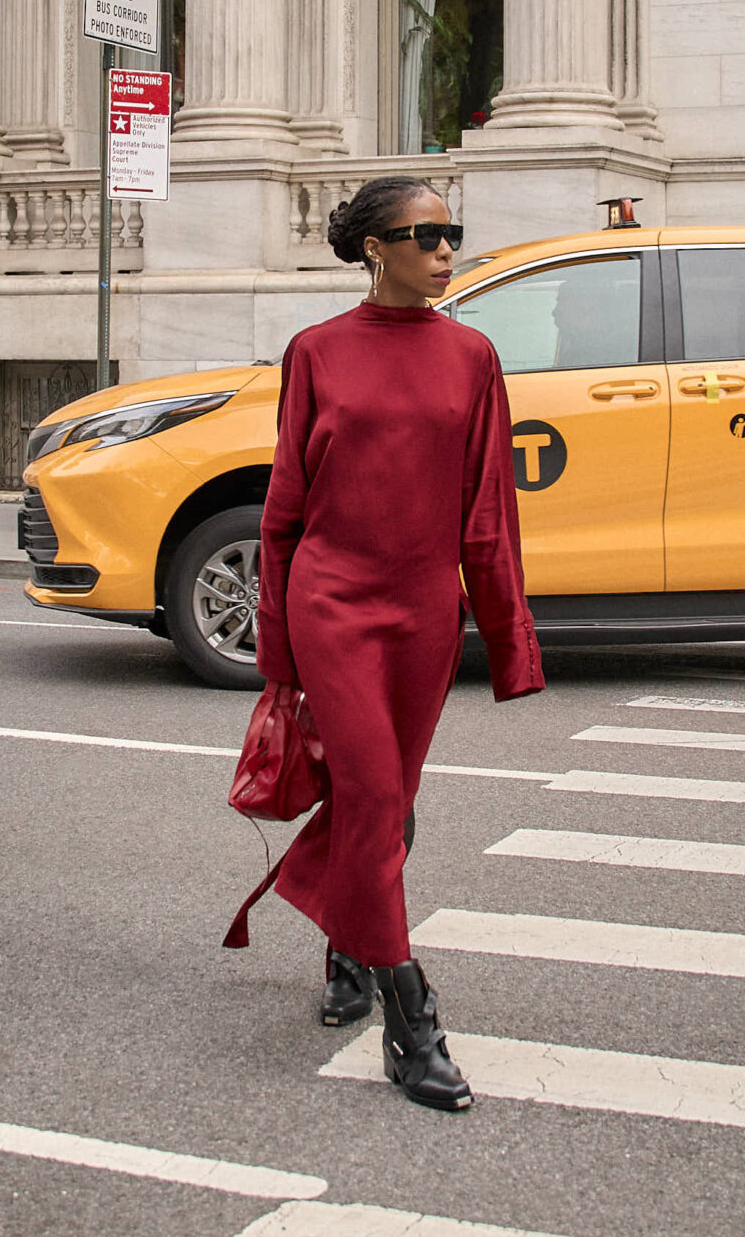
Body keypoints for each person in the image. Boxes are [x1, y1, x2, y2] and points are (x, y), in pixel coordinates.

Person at [231, 174, 544, 1112]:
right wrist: (280, 652)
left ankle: (344, 944)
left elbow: (488, 507)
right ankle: (414, 1021)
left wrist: (510, 639)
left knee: (388, 803)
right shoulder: (317, 352)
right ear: (377, 248)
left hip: (423, 612)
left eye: (454, 231)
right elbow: (283, 508)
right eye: (429, 233)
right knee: (368, 789)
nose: (448, 249)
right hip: (335, 603)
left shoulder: (473, 355)